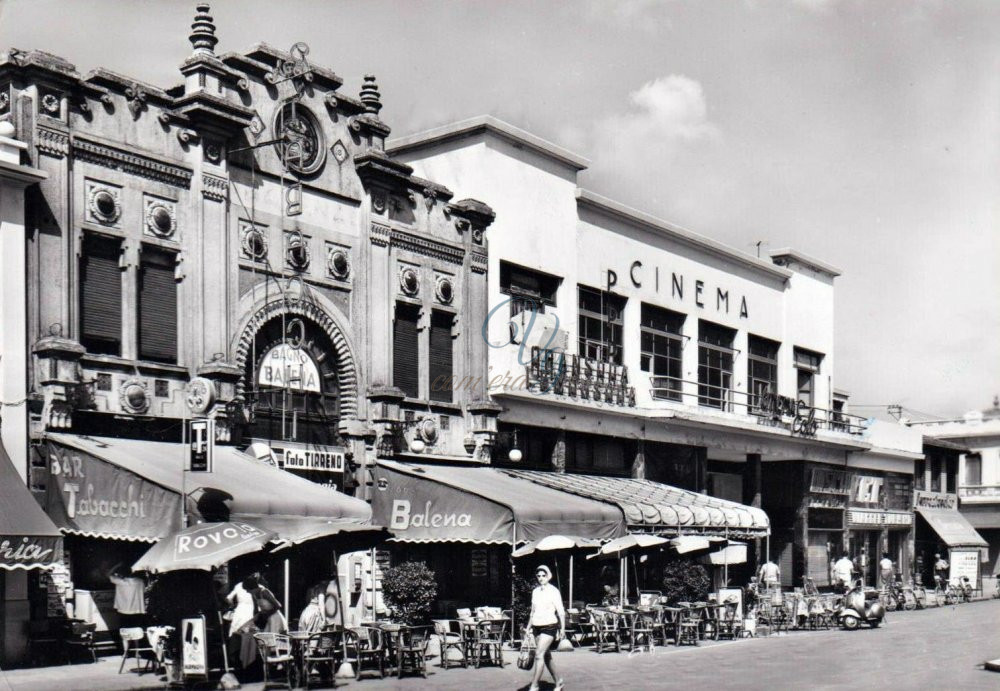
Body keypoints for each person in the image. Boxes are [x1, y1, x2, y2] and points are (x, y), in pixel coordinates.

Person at [527, 565, 565, 691]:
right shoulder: (535, 592)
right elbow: (532, 612)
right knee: (546, 656)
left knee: (539, 654)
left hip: (550, 626)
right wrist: (528, 627)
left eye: (543, 575)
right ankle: (559, 681)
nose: (541, 578)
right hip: (537, 627)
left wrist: (563, 629)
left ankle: (534, 685)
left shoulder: (554, 591)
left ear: (548, 576)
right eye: (538, 576)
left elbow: (561, 612)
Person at [107, 562, 147, 636]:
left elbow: (109, 575)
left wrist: (117, 565)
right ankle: (136, 646)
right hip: (137, 610)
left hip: (124, 610)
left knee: (124, 632)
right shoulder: (140, 581)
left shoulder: (121, 581)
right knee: (136, 631)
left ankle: (126, 647)